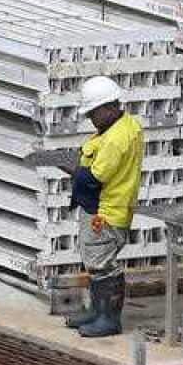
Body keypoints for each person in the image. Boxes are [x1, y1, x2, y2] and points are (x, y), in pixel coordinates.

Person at [65, 76, 144, 338]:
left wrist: (73, 170)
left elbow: (96, 177)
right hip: (109, 207)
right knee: (95, 260)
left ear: (109, 108)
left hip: (106, 210)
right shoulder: (126, 126)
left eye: (92, 113)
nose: (90, 119)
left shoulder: (115, 140)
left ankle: (109, 319)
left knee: (102, 263)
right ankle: (98, 312)